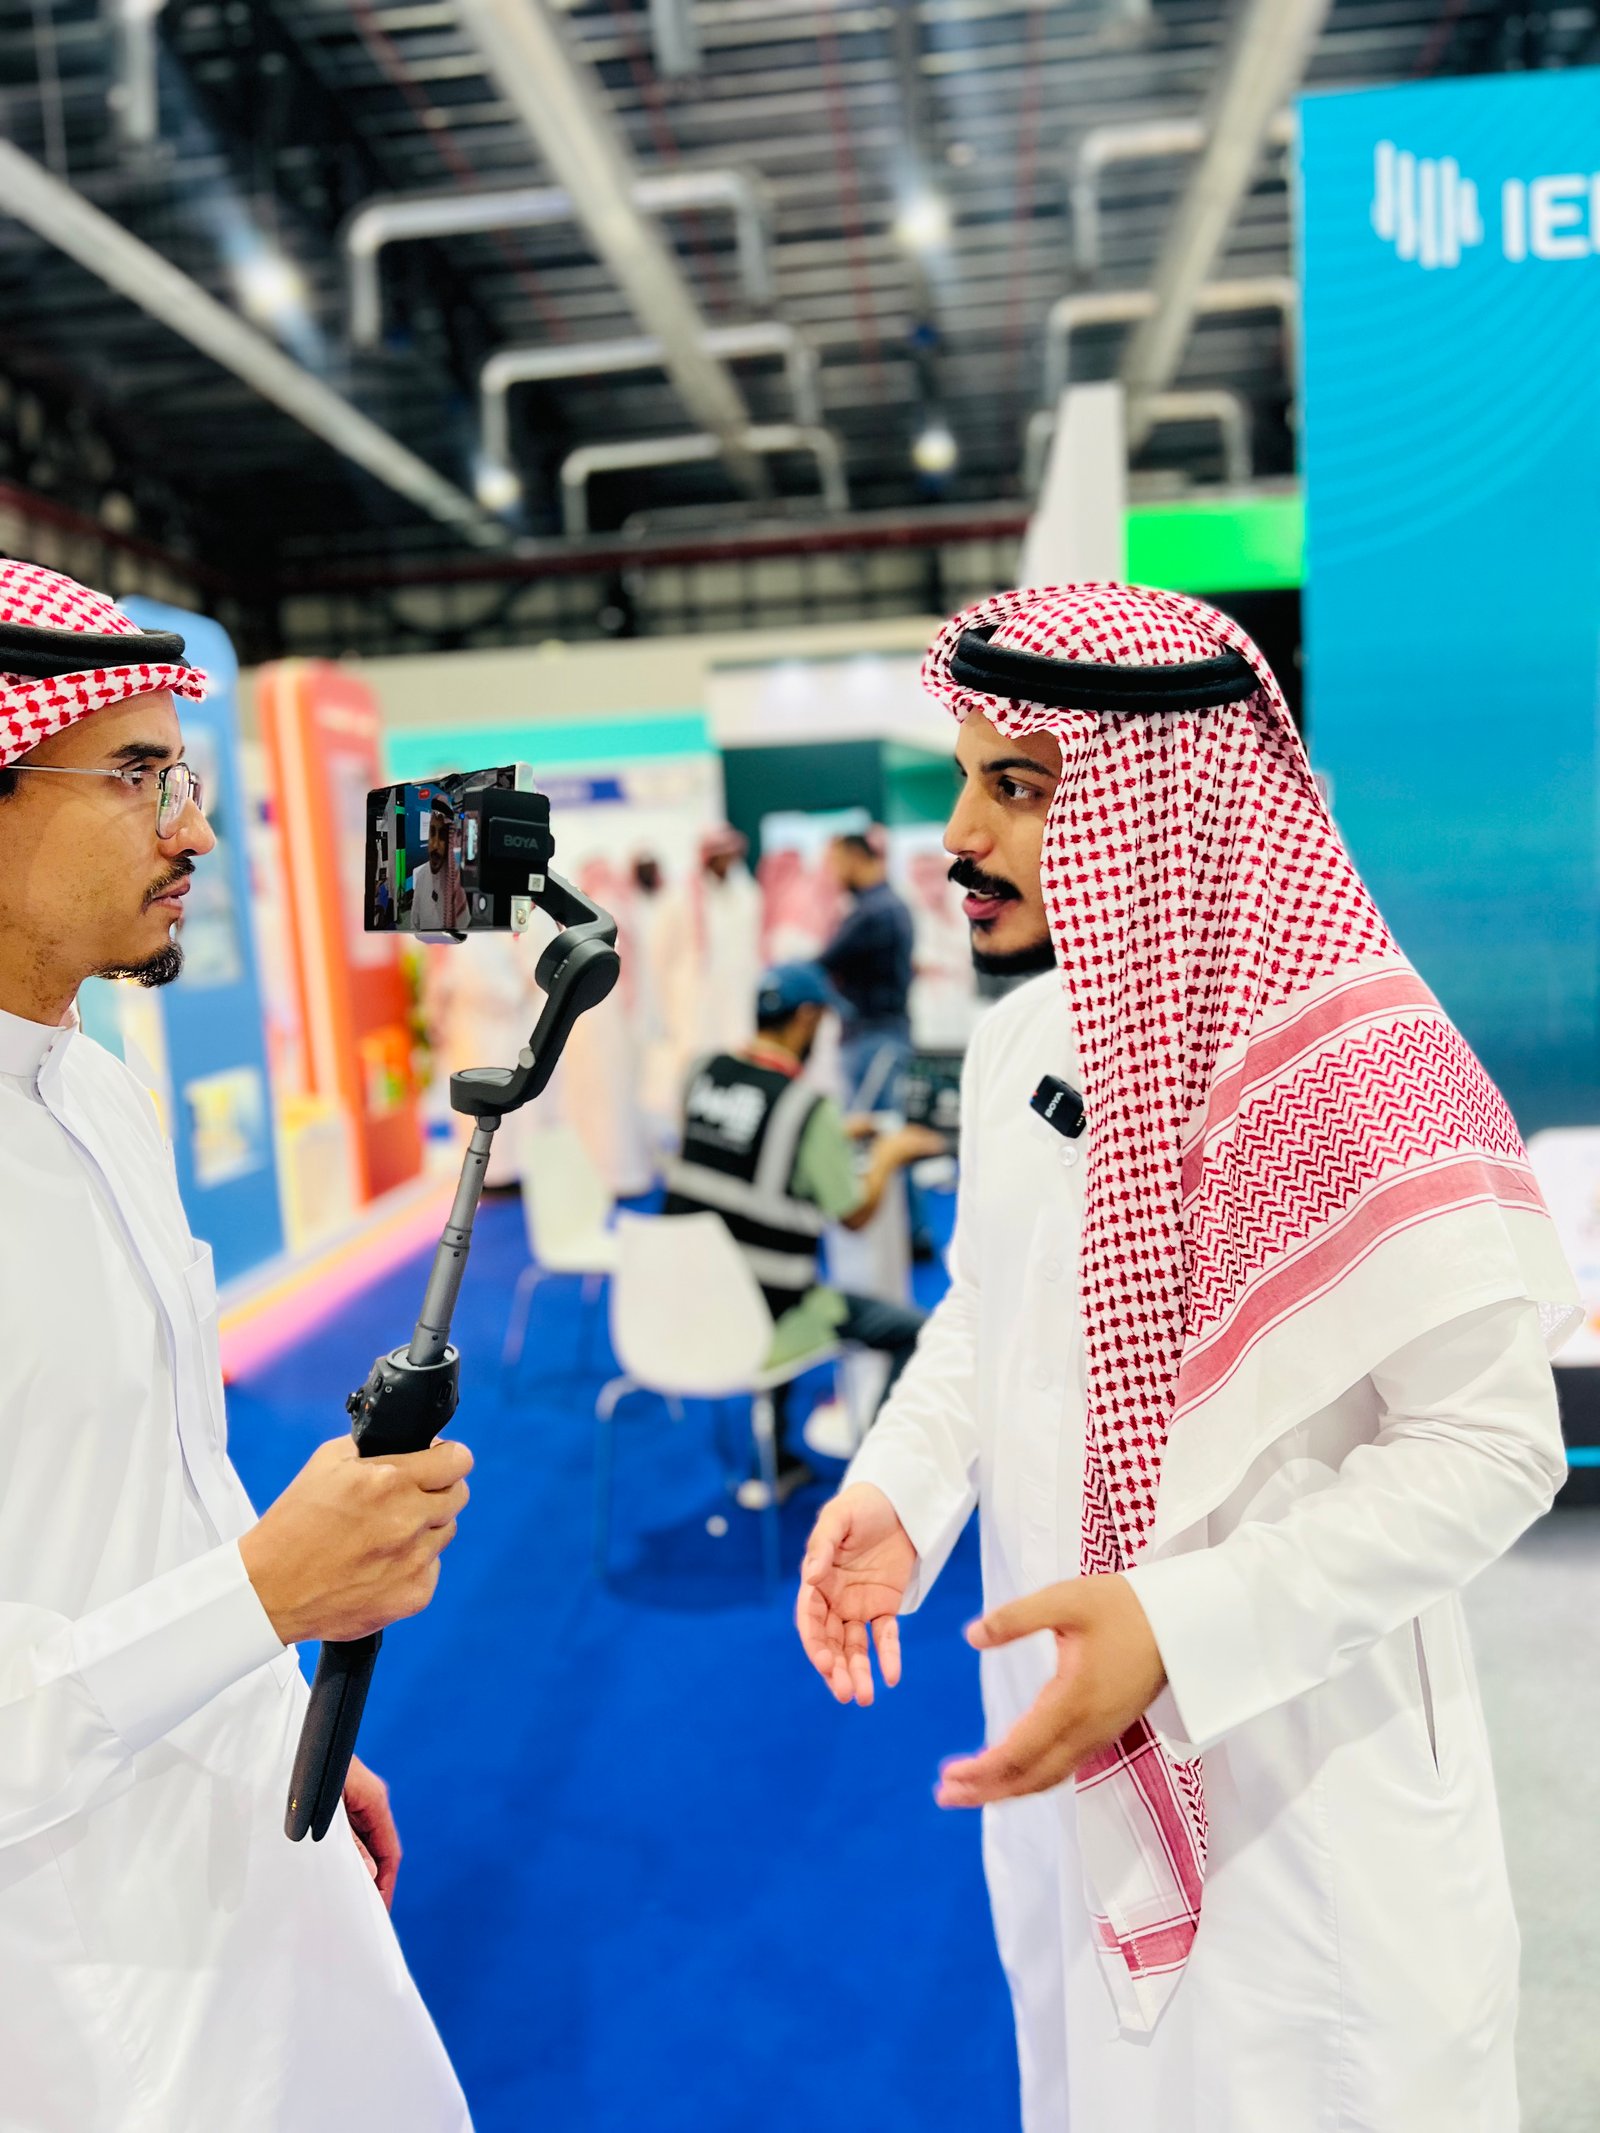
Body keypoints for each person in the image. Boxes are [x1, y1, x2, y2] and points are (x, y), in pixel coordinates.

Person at [795, 582, 1577, 2132]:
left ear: (1166, 802)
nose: (957, 834)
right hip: (1077, 1751)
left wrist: (1183, 1621)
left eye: (1017, 787)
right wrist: (900, 1486)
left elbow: (1498, 1450)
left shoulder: (1362, 1070)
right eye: (961, 781)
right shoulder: (1026, 1043)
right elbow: (989, 1310)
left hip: (1308, 1797)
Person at [0, 562, 473, 2131]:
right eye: (137, 777)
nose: (192, 829)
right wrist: (264, 1600)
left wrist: (270, 1714)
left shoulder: (101, 1096)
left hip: (243, 1844)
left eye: (181, 777)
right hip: (70, 1988)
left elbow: (158, 1498)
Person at [663, 962, 941, 1508]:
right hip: (765, 1310)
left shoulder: (701, 1071)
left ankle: (781, 1460)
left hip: (684, 1301)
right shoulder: (805, 1108)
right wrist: (889, 1154)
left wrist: (828, 1137)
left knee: (775, 1282)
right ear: (808, 1017)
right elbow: (855, 1215)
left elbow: (735, 1146)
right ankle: (879, 1483)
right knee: (919, 1332)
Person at [818, 827, 915, 1110]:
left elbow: (825, 962)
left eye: (836, 863)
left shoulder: (873, 913)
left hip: (871, 1039)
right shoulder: (889, 906)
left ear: (855, 857)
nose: (833, 874)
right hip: (883, 1034)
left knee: (870, 1132)